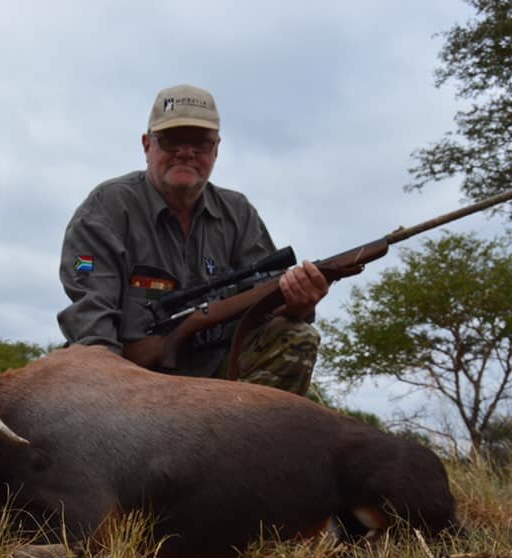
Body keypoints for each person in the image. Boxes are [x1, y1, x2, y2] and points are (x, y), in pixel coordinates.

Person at [57, 84, 328, 395]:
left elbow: (266, 303)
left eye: (200, 143)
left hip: (217, 377)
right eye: (171, 141)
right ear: (147, 145)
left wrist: (297, 303)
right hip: (127, 381)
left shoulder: (238, 212)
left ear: (216, 149)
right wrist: (114, 390)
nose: (186, 153)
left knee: (296, 336)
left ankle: (240, 440)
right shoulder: (104, 209)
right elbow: (91, 320)